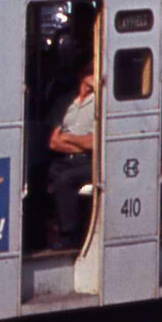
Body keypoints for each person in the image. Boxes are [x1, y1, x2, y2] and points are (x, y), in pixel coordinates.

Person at [43, 66, 99, 250]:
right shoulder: (64, 102)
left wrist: (67, 137)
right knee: (37, 177)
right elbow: (52, 141)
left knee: (65, 180)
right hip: (63, 159)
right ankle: (43, 232)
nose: (95, 74)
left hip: (89, 161)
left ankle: (70, 235)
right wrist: (77, 144)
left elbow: (94, 143)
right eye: (91, 70)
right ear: (81, 74)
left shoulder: (100, 103)